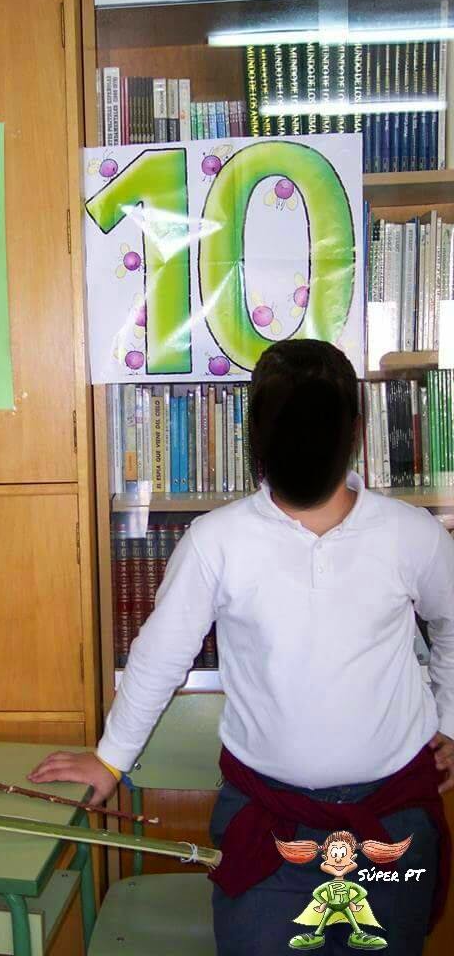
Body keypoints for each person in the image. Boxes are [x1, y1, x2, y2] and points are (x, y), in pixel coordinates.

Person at [28, 339, 454, 955]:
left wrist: (448, 720)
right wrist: (110, 759)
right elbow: (159, 656)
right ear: (257, 437)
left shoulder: (411, 534)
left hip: (392, 821)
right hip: (268, 823)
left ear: (355, 434)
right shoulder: (217, 540)